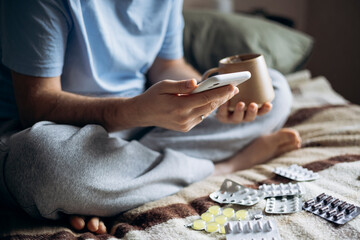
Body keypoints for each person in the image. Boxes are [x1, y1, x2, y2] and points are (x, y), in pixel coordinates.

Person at [0, 0, 301, 234]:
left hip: (142, 125)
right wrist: (133, 110)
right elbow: (36, 106)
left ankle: (107, 188)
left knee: (275, 88)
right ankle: (220, 166)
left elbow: (168, 65)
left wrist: (210, 97)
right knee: (40, 162)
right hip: (60, 134)